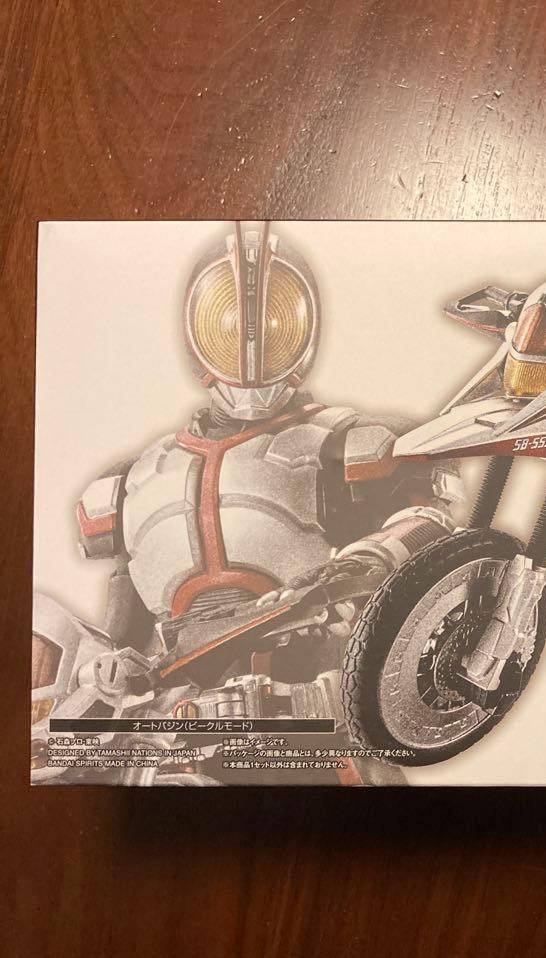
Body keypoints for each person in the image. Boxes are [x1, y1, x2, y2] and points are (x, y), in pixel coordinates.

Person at [67, 222, 461, 784]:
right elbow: (122, 625)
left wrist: (359, 571)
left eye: (274, 316)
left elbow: (436, 533)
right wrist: (106, 667)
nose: (250, 339)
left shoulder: (350, 444)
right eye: (227, 317)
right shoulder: (137, 480)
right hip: (183, 747)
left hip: (320, 737)